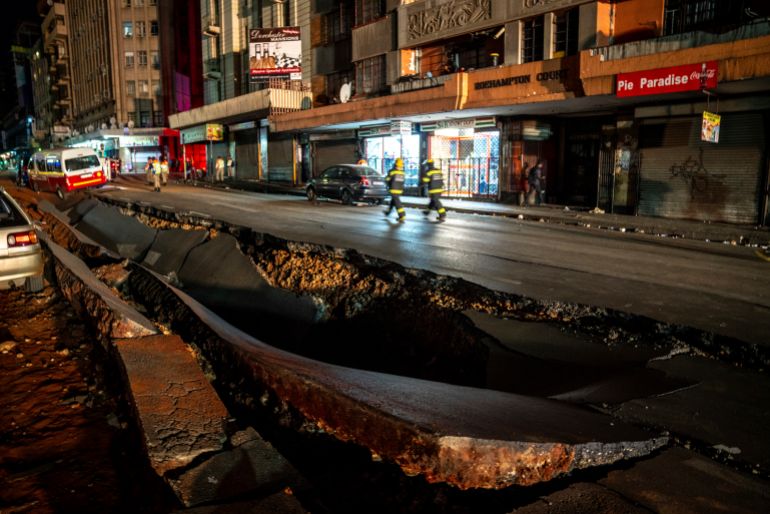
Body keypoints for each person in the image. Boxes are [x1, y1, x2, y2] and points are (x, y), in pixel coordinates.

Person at [383, 157, 406, 222]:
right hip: (400, 189)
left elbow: (387, 179)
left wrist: (387, 182)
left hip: (393, 189)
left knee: (397, 202)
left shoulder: (392, 171)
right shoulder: (402, 172)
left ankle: (402, 215)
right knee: (394, 201)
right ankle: (387, 212)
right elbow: (403, 181)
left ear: (395, 163)